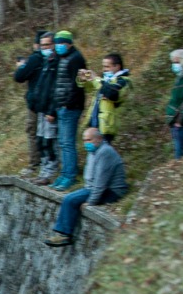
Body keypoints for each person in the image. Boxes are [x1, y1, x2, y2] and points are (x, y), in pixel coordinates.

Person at [45, 127, 128, 246]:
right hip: (93, 188)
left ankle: (65, 235)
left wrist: (91, 202)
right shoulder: (94, 151)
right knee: (69, 198)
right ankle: (62, 233)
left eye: (89, 140)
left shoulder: (105, 152)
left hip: (111, 191)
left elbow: (101, 182)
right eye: (84, 140)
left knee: (70, 200)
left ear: (99, 139)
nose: (86, 143)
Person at [46, 29, 89, 191]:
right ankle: (64, 174)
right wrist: (54, 107)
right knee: (62, 142)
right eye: (57, 43)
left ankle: (70, 175)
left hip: (70, 107)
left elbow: (77, 86)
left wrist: (67, 104)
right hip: (61, 106)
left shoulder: (76, 59)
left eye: (62, 43)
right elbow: (56, 84)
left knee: (68, 142)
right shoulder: (61, 58)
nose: (59, 46)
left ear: (69, 44)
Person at [13, 31, 58, 183]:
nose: (44, 48)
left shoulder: (37, 59)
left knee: (37, 133)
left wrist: (21, 67)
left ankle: (37, 164)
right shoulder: (50, 59)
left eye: (47, 45)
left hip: (39, 103)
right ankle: (45, 165)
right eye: (43, 45)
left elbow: (19, 77)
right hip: (42, 102)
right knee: (42, 135)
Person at [78, 52, 131, 148]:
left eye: (107, 67)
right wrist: (83, 79)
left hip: (106, 126)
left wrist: (96, 79)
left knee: (103, 153)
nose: (104, 70)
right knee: (93, 153)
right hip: (94, 123)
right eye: (103, 67)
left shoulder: (123, 81)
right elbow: (90, 89)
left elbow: (112, 94)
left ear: (117, 66)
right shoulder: (105, 80)